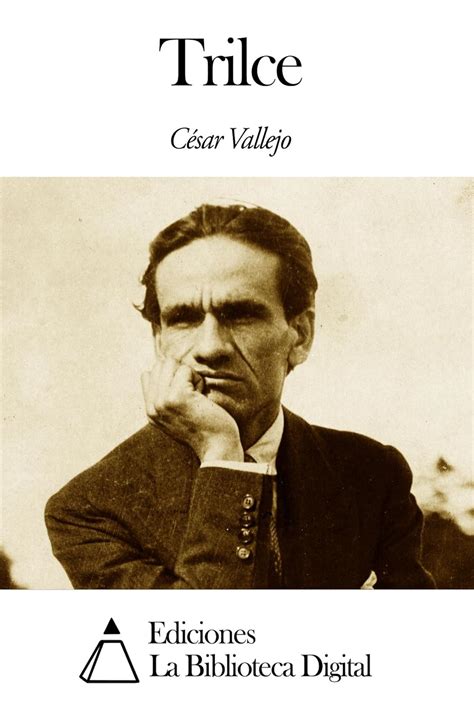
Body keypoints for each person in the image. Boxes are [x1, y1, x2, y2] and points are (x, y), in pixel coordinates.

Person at [45, 203, 435, 589]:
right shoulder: (90, 508)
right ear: (159, 340)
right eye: (183, 319)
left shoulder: (371, 473)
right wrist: (222, 454)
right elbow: (201, 628)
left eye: (240, 315)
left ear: (300, 335)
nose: (210, 347)